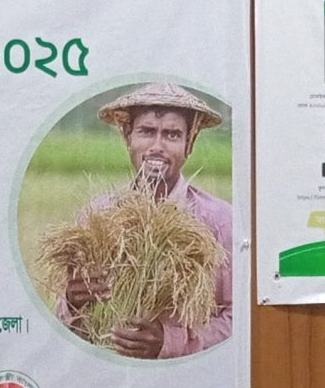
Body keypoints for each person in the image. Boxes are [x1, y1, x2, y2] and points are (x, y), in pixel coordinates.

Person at [54, 81, 235, 359]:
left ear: (189, 145)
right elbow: (65, 324)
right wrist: (72, 302)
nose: (157, 146)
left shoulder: (219, 222)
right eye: (147, 132)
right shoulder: (97, 218)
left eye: (172, 135)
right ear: (128, 138)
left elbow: (240, 317)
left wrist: (170, 341)